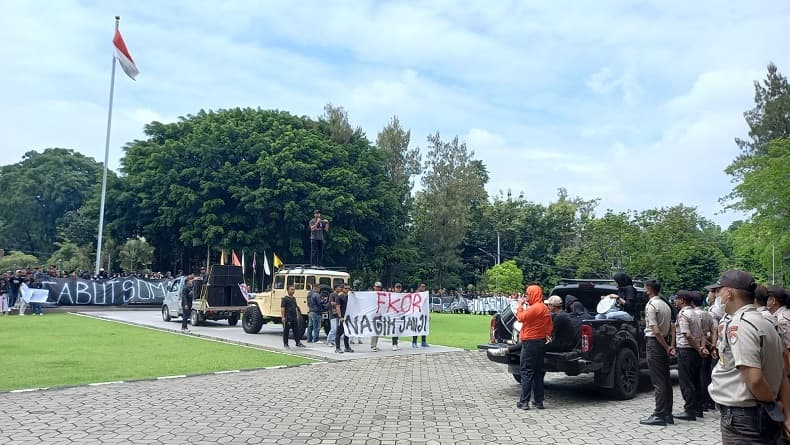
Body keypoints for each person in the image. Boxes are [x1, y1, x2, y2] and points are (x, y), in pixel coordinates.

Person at [707, 269, 784, 444]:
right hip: (756, 413)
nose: (716, 296)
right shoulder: (766, 321)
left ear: (729, 292)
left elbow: (754, 379)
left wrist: (771, 404)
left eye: (718, 291)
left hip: (744, 418)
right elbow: (783, 368)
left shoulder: (740, 324)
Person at [641, 280, 676, 426]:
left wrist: (666, 346)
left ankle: (659, 414)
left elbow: (655, 331)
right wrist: (670, 345)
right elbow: (672, 327)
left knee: (658, 381)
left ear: (649, 289)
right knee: (665, 379)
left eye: (645, 288)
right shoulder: (665, 304)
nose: (644, 290)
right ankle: (668, 413)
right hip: (664, 341)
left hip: (655, 343)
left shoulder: (651, 306)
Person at [515, 284, 553, 410]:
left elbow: (520, 318)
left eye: (528, 294)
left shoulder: (535, 308)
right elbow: (549, 326)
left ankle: (524, 402)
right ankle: (539, 401)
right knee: (538, 372)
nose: (527, 296)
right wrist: (546, 334)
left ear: (533, 294)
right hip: (541, 342)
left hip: (530, 342)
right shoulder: (545, 308)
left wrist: (520, 305)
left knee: (526, 371)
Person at [672, 290, 707, 420]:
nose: (675, 301)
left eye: (676, 299)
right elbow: (702, 334)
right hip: (695, 351)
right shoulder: (695, 313)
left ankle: (689, 410)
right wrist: (701, 348)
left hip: (686, 350)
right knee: (696, 380)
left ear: (682, 300)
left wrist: (698, 348)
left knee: (686, 381)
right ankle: (698, 409)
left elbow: (687, 335)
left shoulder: (683, 314)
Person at [691, 290, 716, 412]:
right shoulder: (708, 314)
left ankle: (701, 402)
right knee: (707, 374)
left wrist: (704, 345)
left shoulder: (694, 314)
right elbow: (713, 330)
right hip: (708, 347)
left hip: (699, 347)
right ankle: (709, 401)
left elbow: (699, 333)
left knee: (699, 376)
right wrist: (713, 345)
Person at [281, 285, 305, 349]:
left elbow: (296, 307)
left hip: (294, 317)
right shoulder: (285, 299)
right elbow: (283, 308)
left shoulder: (294, 298)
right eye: (291, 289)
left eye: (294, 289)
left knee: (296, 330)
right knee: (286, 331)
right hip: (288, 317)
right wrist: (283, 317)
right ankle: (286, 344)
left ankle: (298, 342)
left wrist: (297, 315)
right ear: (288, 290)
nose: (293, 291)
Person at [334, 284, 353, 353]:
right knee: (339, 333)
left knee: (346, 333)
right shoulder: (339, 297)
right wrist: (340, 317)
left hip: (348, 317)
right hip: (342, 317)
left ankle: (347, 347)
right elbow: (338, 307)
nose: (347, 290)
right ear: (342, 289)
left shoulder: (349, 297)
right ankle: (337, 348)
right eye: (346, 288)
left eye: (348, 288)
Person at [412, 282, 430, 348]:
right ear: (419, 287)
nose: (423, 288)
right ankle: (414, 342)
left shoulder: (425, 295)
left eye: (424, 286)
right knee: (416, 328)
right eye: (422, 286)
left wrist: (428, 314)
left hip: (424, 314)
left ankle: (423, 342)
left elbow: (427, 305)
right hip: (416, 314)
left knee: (424, 327)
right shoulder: (416, 294)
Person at [370, 281, 383, 352]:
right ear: (374, 287)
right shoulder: (371, 295)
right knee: (374, 330)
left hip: (379, 314)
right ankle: (373, 346)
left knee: (377, 331)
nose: (378, 288)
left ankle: (375, 345)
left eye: (379, 287)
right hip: (373, 315)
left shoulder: (382, 294)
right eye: (377, 287)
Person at [391, 282, 403, 350]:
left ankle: (396, 343)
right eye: (397, 287)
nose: (398, 289)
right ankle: (394, 344)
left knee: (398, 330)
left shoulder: (402, 295)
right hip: (393, 315)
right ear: (394, 288)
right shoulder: (391, 295)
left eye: (399, 287)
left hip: (400, 315)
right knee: (394, 329)